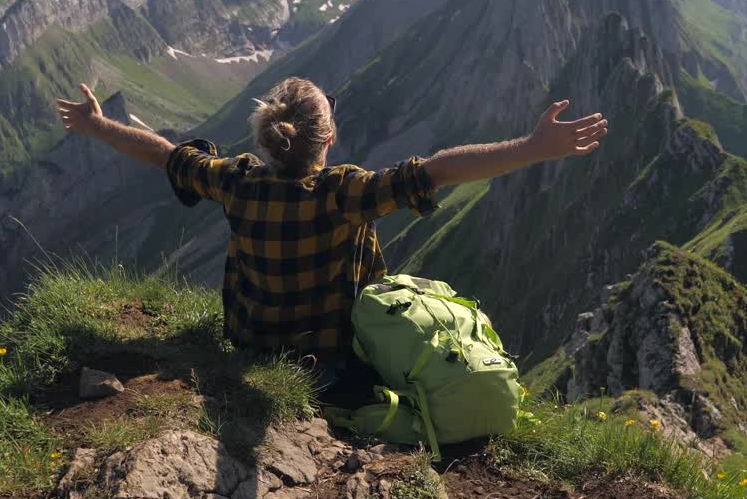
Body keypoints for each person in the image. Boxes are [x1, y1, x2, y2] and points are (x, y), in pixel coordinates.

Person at [57, 77, 607, 402]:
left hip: (252, 349)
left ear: (271, 138)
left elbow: (165, 154)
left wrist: (97, 125)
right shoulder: (344, 193)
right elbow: (437, 171)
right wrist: (535, 147)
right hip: (333, 362)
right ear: (330, 137)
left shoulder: (238, 181)